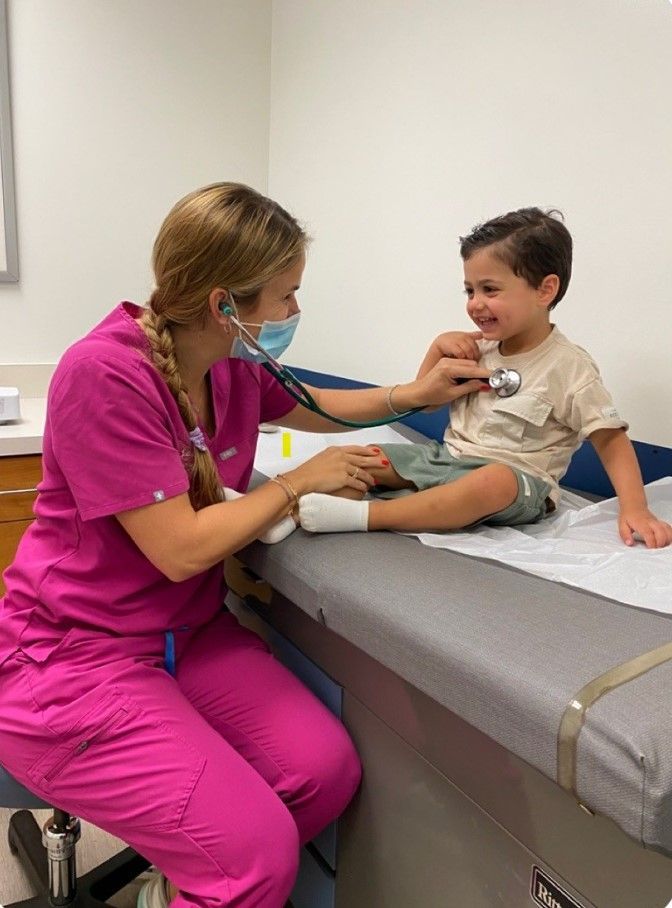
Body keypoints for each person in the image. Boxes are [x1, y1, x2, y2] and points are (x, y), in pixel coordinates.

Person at [0, 182, 490, 908]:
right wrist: (296, 486)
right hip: (77, 659)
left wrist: (415, 393)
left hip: (188, 637)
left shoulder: (224, 365)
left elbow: (317, 409)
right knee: (256, 856)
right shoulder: (105, 372)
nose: (294, 313)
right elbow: (179, 550)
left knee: (322, 775)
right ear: (225, 303)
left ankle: (178, 883)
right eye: (287, 296)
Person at [299, 207, 672, 549]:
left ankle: (366, 517)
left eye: (489, 289)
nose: (475, 303)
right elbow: (427, 404)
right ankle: (296, 516)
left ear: (545, 289)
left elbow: (611, 441)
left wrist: (635, 509)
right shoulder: (478, 349)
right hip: (445, 459)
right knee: (359, 458)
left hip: (517, 482)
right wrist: (435, 351)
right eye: (469, 290)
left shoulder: (568, 366)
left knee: (492, 482)